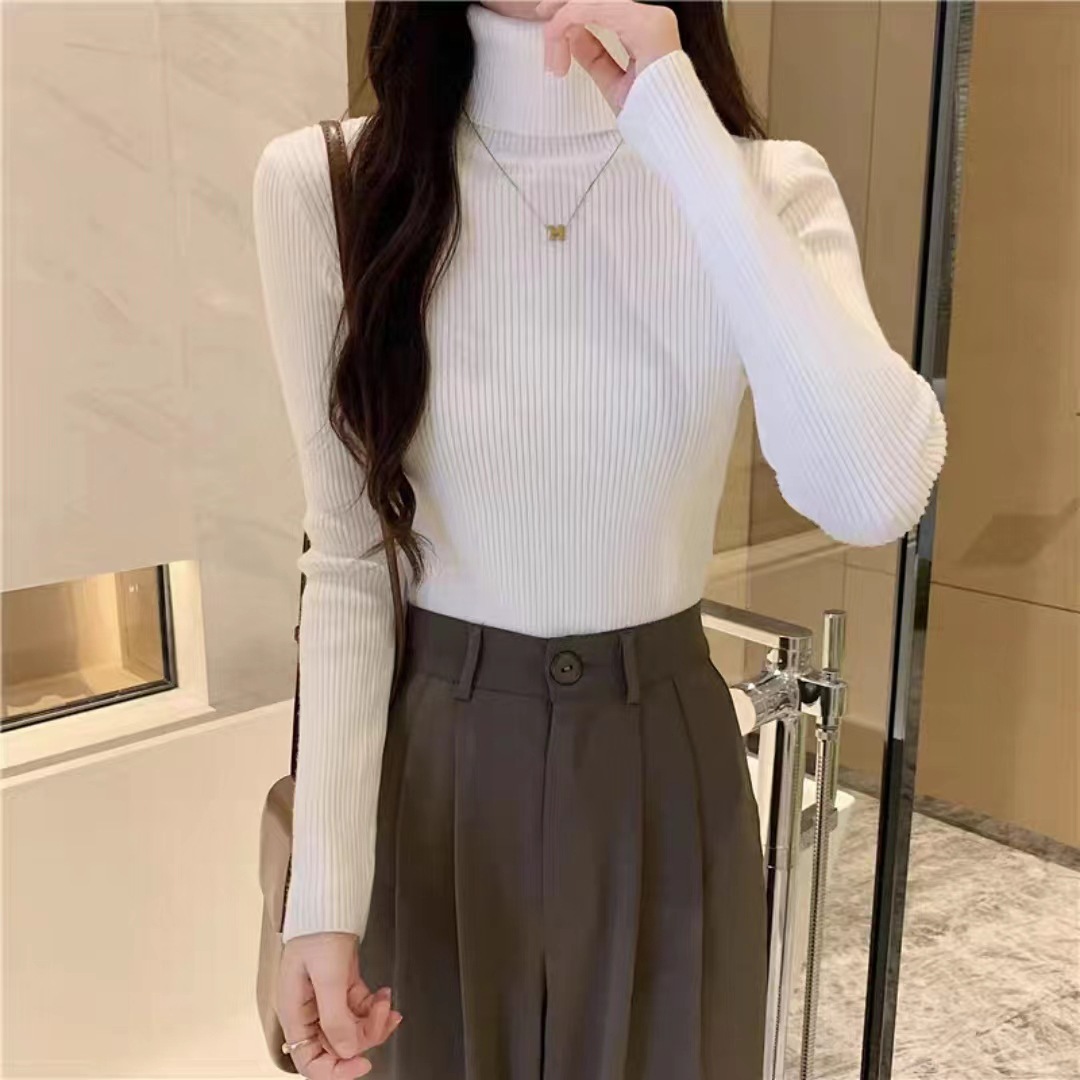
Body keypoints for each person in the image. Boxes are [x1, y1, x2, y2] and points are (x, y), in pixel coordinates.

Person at [251, 1, 947, 1077]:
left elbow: (875, 493)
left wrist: (678, 126)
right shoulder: (329, 184)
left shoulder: (761, 183)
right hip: (433, 777)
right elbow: (347, 560)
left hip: (666, 772)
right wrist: (325, 894)